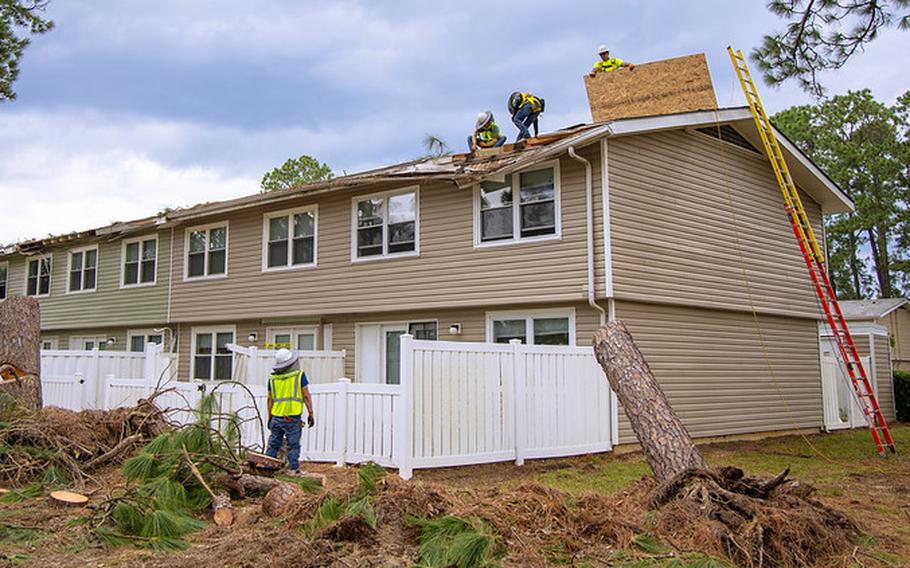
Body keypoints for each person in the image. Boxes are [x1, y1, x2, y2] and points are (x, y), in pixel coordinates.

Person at [266, 348, 314, 476]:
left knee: (274, 445)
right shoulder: (299, 376)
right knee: (293, 446)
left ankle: (267, 469)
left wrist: (270, 417)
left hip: (276, 416)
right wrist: (311, 413)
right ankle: (293, 470)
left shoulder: (272, 379)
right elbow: (306, 395)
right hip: (292, 417)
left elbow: (270, 399)